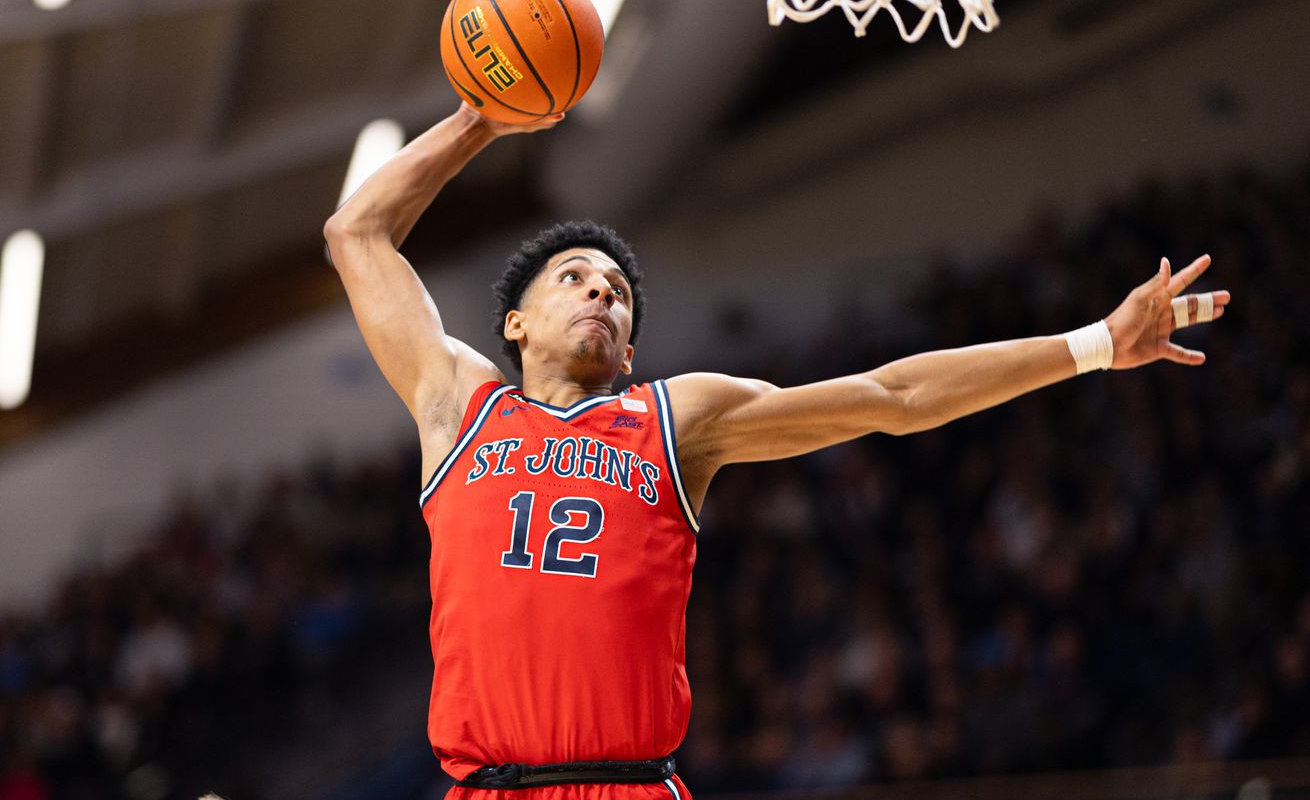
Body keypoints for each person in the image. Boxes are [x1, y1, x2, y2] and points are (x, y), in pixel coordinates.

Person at [323, 104, 1230, 799]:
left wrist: (1098, 343)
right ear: (516, 322)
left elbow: (891, 397)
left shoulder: (677, 418)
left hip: (630, 782)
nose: (601, 292)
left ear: (631, 349)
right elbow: (355, 233)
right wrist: (484, 120)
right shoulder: (459, 404)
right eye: (574, 279)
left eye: (618, 293)